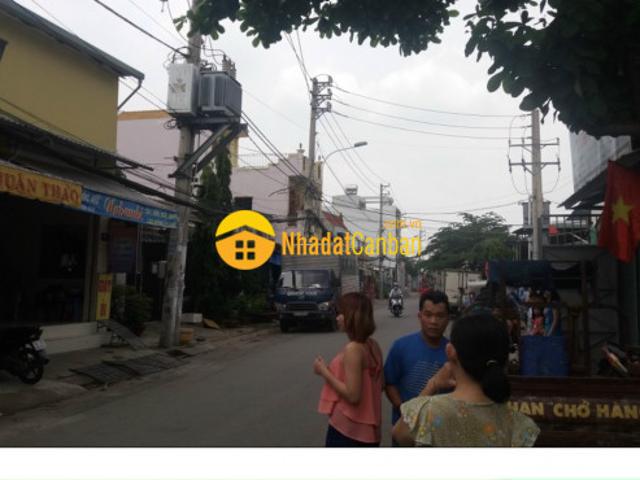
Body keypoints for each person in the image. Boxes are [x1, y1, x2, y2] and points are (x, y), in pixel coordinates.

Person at [392, 312, 540, 447]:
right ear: (504, 359)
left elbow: (399, 435)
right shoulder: (521, 427)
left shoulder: (427, 412)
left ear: (450, 352)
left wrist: (432, 384)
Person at [314, 292, 384, 447]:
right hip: (369, 429)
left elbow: (353, 396)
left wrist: (324, 371)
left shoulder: (353, 349)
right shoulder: (373, 346)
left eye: (341, 313)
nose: (338, 318)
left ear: (353, 316)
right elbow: (379, 385)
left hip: (349, 430)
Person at [384, 290, 450, 429]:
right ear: (420, 316)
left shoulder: (454, 353)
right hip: (406, 429)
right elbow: (389, 384)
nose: (433, 321)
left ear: (448, 319)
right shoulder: (401, 347)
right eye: (428, 315)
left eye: (440, 316)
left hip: (440, 430)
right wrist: (405, 412)